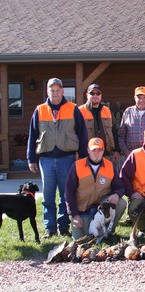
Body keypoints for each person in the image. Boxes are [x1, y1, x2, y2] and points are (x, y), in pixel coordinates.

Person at [27, 78, 88, 238]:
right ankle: (50, 228)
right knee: (48, 196)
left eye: (58, 90)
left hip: (67, 159)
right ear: (47, 91)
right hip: (46, 159)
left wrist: (82, 157)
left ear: (63, 91)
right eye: (51, 90)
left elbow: (82, 133)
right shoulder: (39, 110)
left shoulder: (73, 109)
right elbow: (32, 136)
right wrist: (31, 159)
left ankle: (63, 226)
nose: (55, 93)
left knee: (65, 195)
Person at [65, 137, 127, 240]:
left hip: (102, 209)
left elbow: (119, 186)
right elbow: (68, 193)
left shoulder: (110, 166)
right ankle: (96, 231)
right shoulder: (77, 166)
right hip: (83, 211)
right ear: (88, 150)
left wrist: (117, 194)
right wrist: (75, 215)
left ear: (103, 151)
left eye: (99, 150)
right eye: (93, 150)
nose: (96, 153)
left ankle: (108, 231)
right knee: (80, 240)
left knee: (121, 203)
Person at [79, 83, 120, 166]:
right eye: (92, 93)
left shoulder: (107, 111)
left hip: (107, 154)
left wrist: (117, 150)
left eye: (97, 93)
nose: (95, 95)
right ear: (87, 95)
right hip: (87, 155)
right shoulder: (79, 111)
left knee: (107, 178)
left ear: (101, 96)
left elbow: (115, 131)